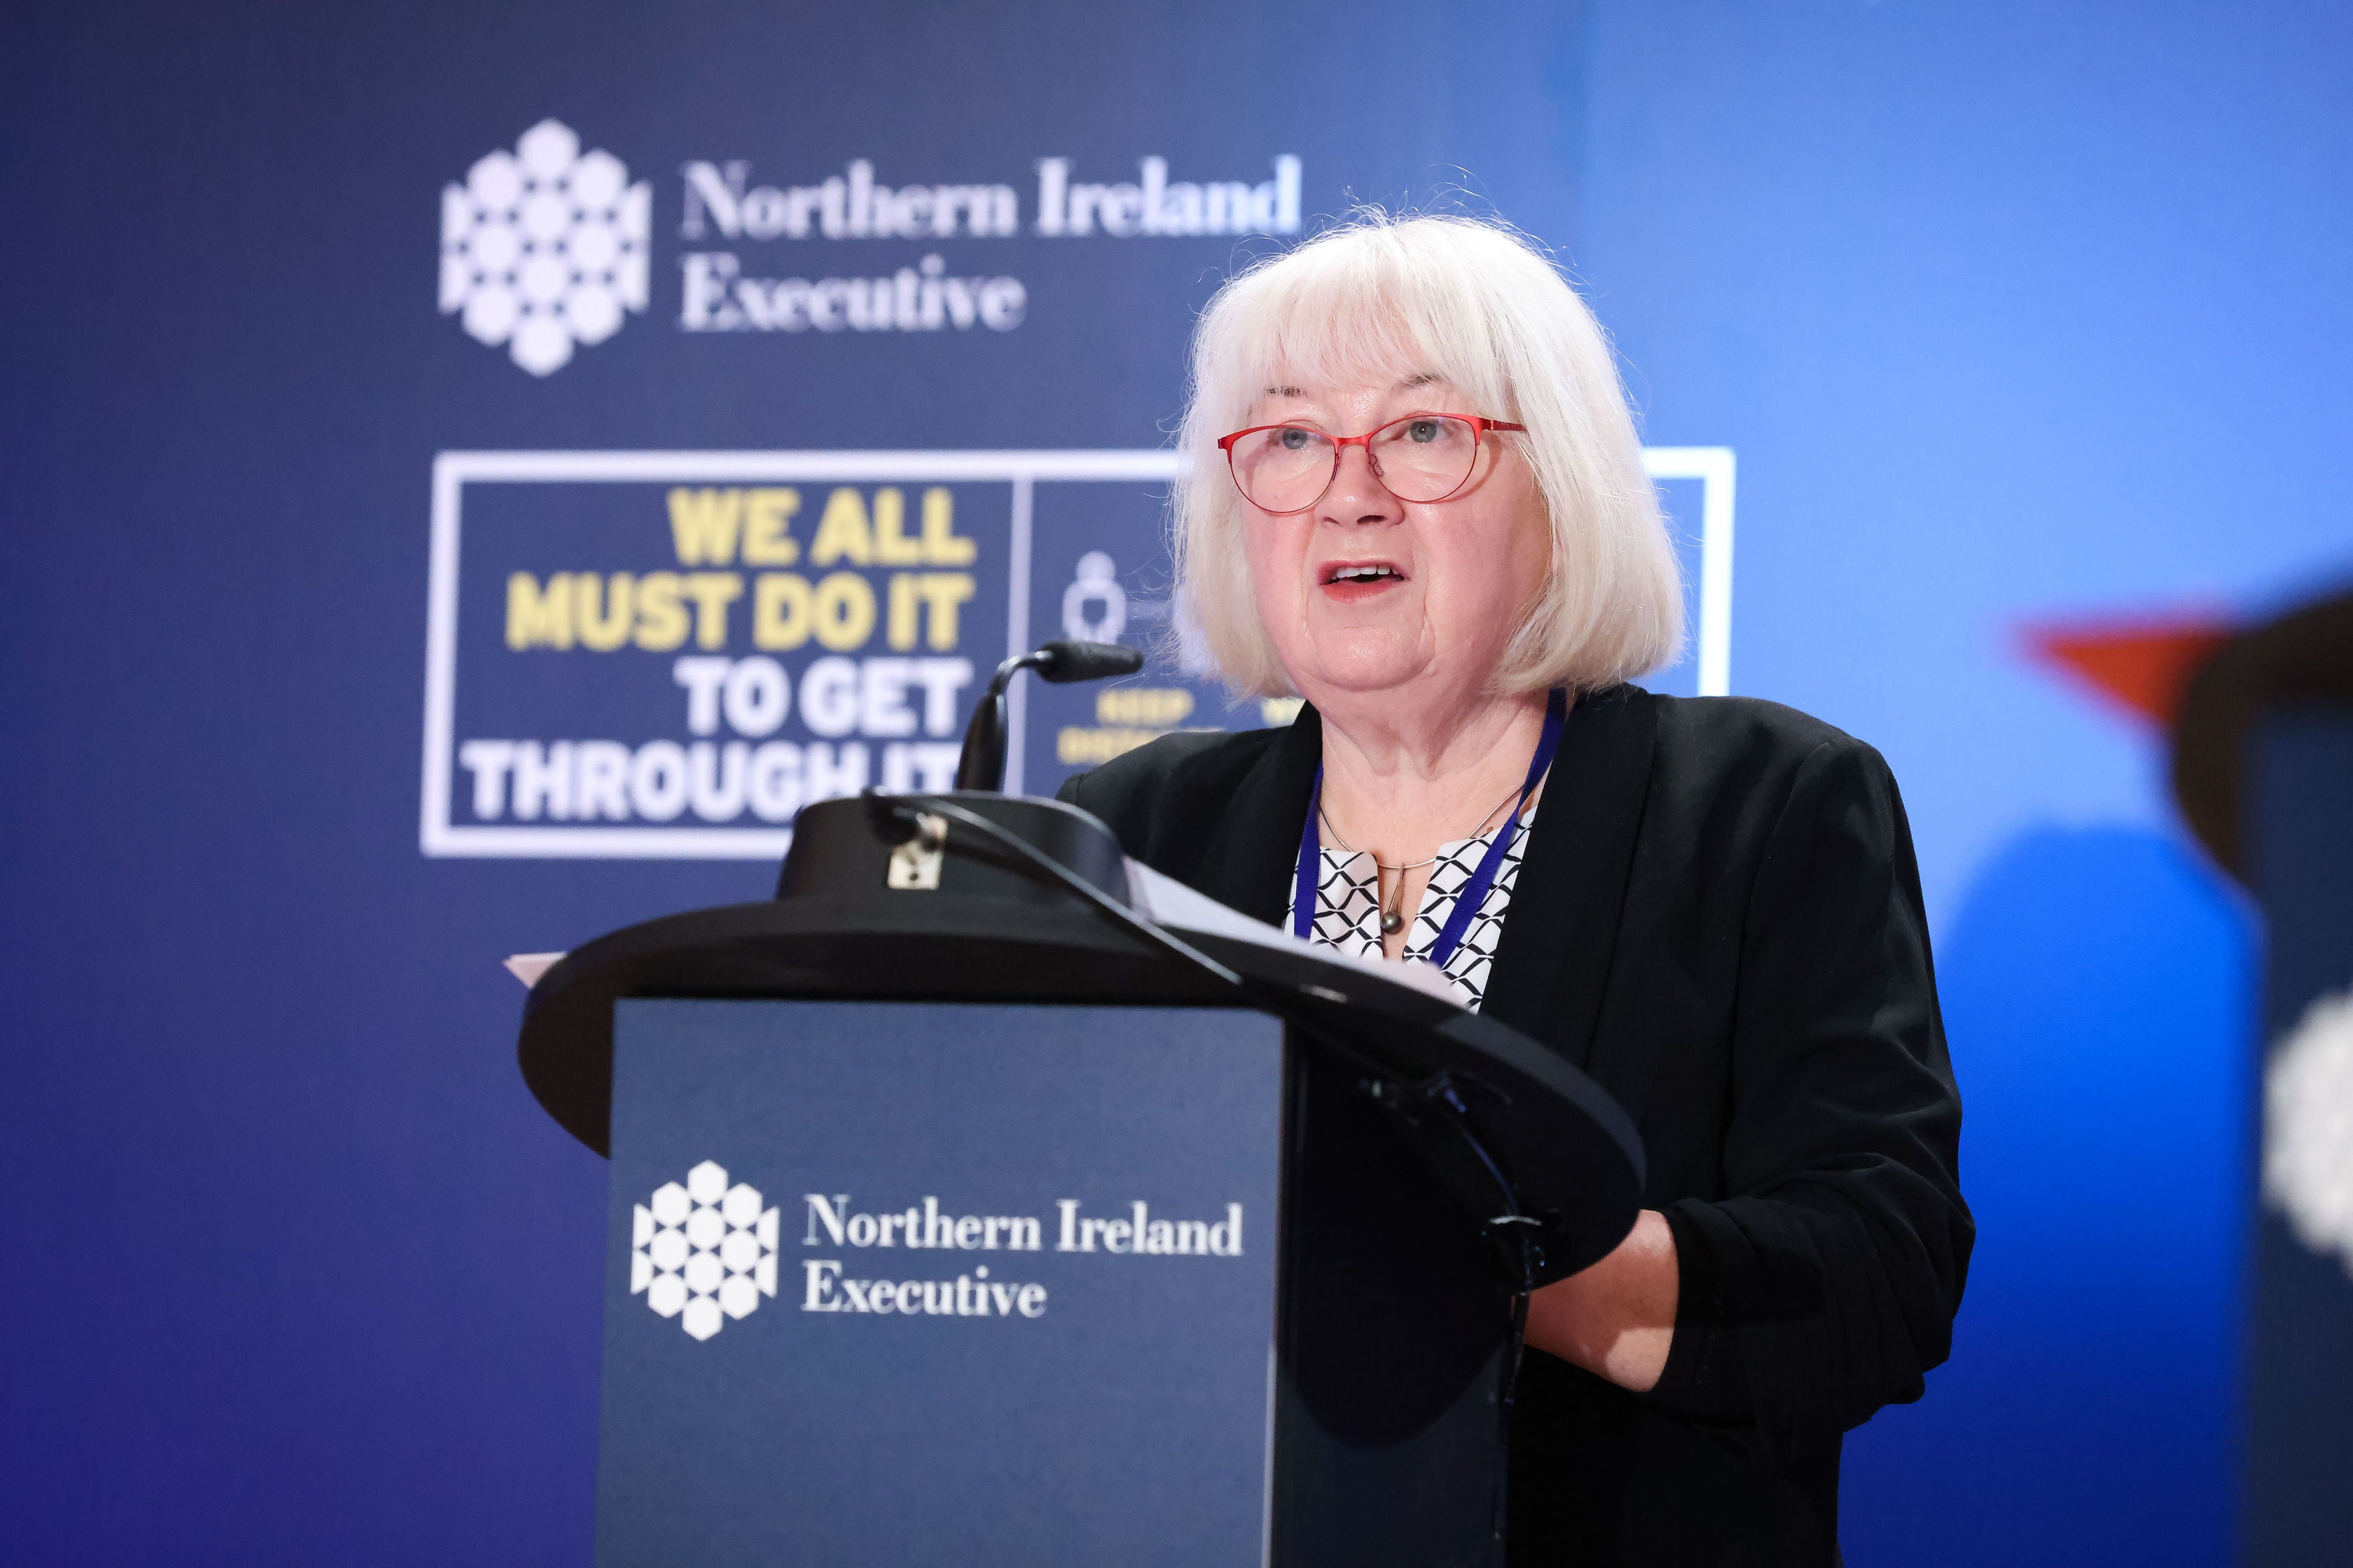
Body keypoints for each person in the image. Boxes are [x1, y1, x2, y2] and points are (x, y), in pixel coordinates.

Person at [1058, 213, 1970, 1565]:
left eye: (1425, 434)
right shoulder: (1132, 831)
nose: (1347, 492)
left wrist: (1440, 1257)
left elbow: (1873, 1279)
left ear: (1565, 494)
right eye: (1292, 437)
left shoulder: (1762, 805)